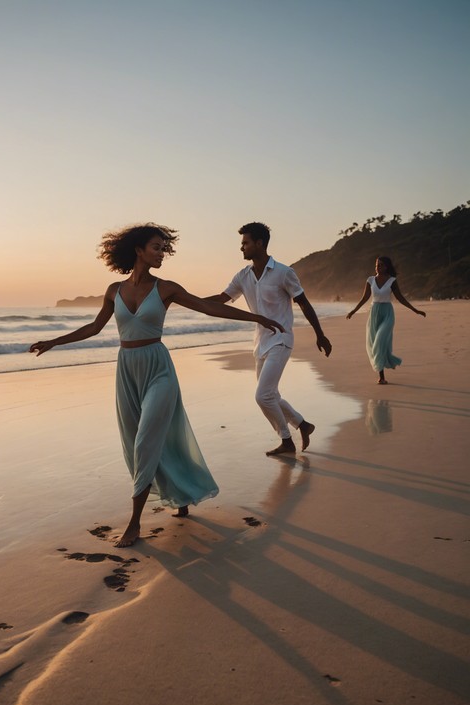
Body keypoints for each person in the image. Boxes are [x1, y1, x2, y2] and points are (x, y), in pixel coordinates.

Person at [29, 223, 284, 547]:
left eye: (164, 248)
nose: (162, 253)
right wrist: (54, 341)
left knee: (146, 440)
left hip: (159, 370)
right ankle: (179, 494)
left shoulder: (166, 289)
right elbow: (94, 327)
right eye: (156, 247)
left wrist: (257, 318)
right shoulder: (113, 290)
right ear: (137, 250)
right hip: (127, 371)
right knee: (142, 440)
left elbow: (210, 307)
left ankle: (134, 523)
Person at [206, 222, 332, 456]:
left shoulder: (284, 272)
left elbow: (303, 302)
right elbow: (222, 298)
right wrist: (185, 299)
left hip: (281, 340)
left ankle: (287, 441)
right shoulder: (242, 276)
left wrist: (320, 334)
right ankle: (303, 424)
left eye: (245, 243)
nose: (241, 247)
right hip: (260, 342)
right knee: (271, 395)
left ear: (259, 243)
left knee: (262, 395)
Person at [346, 256, 426, 384]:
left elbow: (400, 298)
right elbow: (364, 298)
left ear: (387, 266)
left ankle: (385, 367)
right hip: (374, 313)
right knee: (376, 344)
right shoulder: (370, 280)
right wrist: (353, 311)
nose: (378, 267)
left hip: (387, 313)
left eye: (381, 265)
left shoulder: (392, 281)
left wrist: (415, 310)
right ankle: (382, 377)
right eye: (377, 264)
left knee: (380, 340)